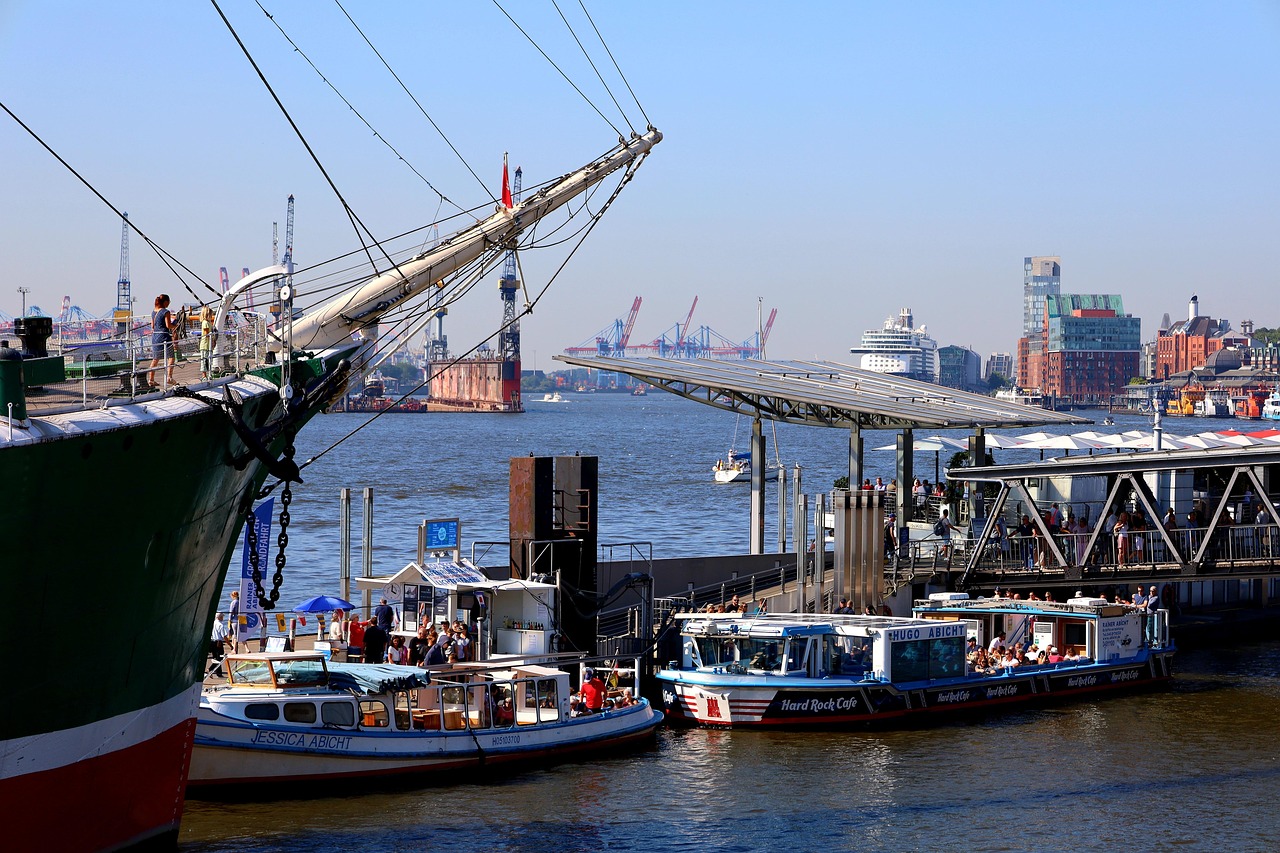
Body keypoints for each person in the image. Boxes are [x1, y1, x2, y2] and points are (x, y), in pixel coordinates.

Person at [147, 294, 179, 388]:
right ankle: (169, 377)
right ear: (165, 302)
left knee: (155, 359)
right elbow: (168, 325)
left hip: (155, 337)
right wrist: (176, 325)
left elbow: (152, 326)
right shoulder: (166, 312)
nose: (169, 303)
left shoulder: (153, 312)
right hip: (164, 336)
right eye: (168, 302)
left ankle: (151, 380)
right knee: (171, 357)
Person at [198, 305, 216, 379]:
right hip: (205, 344)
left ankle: (209, 374)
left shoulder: (208, 323)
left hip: (209, 344)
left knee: (209, 360)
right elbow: (206, 334)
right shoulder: (205, 323)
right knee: (204, 360)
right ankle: (204, 375)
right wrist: (212, 339)